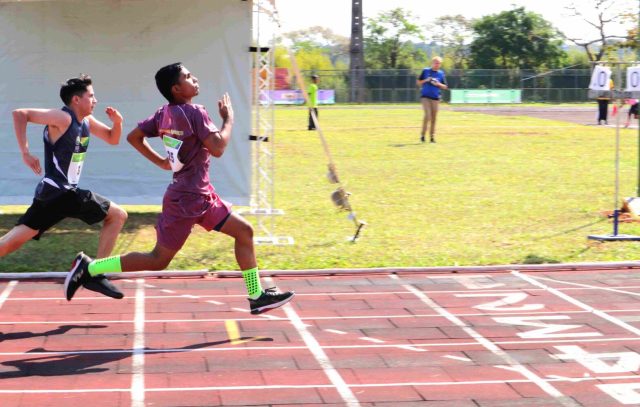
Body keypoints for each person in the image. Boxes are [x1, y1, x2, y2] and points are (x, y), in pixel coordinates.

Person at [64, 63, 295, 314]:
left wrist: (162, 163)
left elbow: (134, 137)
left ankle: (256, 295)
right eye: (187, 77)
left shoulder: (163, 113)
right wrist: (228, 119)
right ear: (176, 88)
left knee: (244, 232)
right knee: (157, 260)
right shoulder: (195, 112)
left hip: (198, 195)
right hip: (189, 199)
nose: (194, 78)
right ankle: (90, 268)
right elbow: (217, 148)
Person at [7, 75, 127, 299]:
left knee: (9, 243)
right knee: (118, 216)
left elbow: (112, 138)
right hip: (62, 192)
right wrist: (25, 152)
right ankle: (93, 272)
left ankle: (91, 271)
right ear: (76, 99)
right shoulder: (62, 117)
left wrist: (118, 123)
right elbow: (20, 114)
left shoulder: (87, 122)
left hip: (52, 196)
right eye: (91, 96)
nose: (95, 100)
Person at [417, 56, 448, 143]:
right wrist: (426, 80)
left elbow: (445, 86)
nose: (437, 64)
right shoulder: (425, 71)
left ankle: (432, 137)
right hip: (425, 97)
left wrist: (438, 83)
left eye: (439, 63)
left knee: (434, 118)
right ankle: (423, 135)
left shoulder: (441, 73)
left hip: (435, 98)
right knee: (428, 115)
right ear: (432, 63)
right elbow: (418, 82)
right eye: (435, 62)